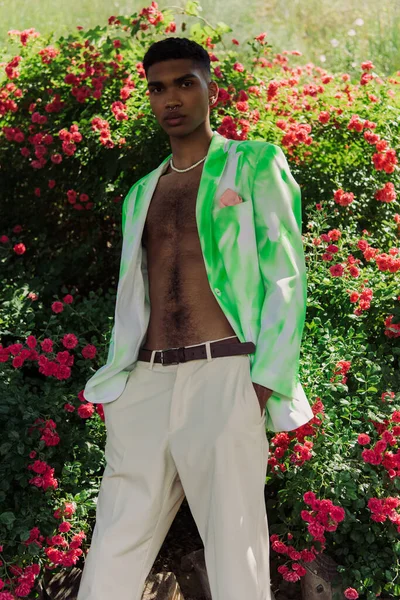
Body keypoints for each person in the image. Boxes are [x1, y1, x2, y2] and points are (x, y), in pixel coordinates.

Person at [77, 36, 313, 600]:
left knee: (235, 541)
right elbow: (136, 294)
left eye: (185, 82)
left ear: (211, 88)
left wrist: (261, 384)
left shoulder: (254, 162)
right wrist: (121, 389)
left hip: (224, 371)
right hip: (148, 381)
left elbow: (287, 275)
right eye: (158, 88)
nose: (171, 98)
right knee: (115, 536)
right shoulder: (141, 192)